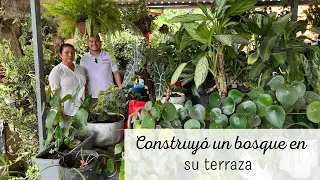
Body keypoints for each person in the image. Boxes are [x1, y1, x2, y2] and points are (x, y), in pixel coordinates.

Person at [80, 35, 122, 103]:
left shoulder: (109, 56)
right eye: (91, 41)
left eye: (97, 41)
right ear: (88, 43)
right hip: (92, 96)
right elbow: (83, 79)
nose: (94, 43)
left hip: (109, 94)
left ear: (100, 42)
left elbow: (116, 73)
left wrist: (121, 90)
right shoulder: (84, 59)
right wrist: (84, 96)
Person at [48, 43, 86, 115]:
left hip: (81, 112)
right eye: (66, 52)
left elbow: (84, 87)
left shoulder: (80, 69)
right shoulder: (57, 71)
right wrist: (60, 114)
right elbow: (54, 95)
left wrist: (87, 106)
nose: (70, 55)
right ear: (60, 55)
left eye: (72, 53)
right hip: (66, 113)